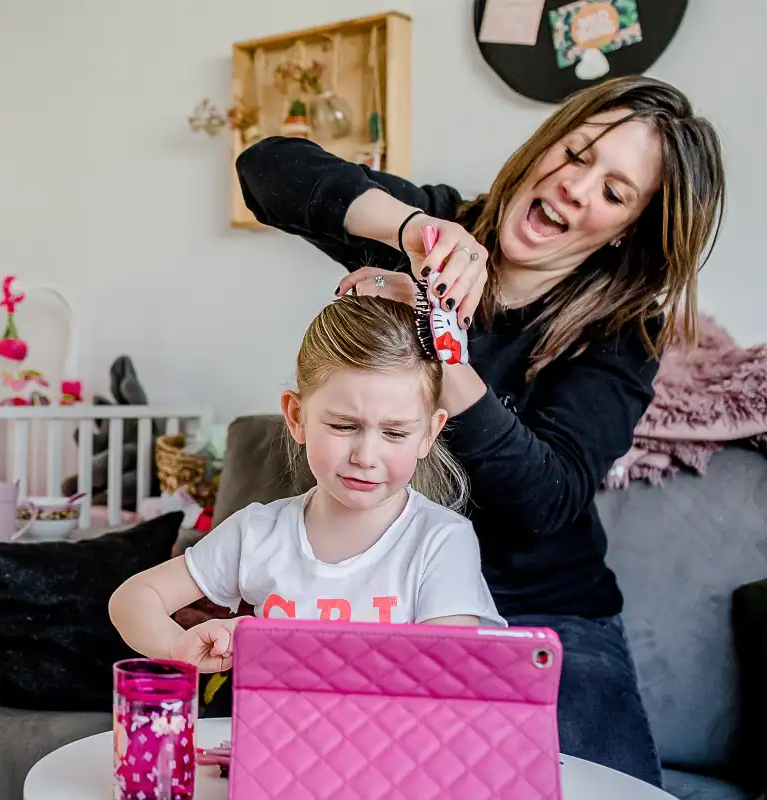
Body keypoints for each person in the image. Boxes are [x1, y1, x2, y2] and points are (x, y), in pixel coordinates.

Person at [234, 74, 726, 788]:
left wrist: (441, 337)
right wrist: (412, 233)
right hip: (383, 599)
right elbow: (265, 170)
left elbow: (546, 497)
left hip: (546, 618)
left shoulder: (623, 333)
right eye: (578, 153)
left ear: (629, 230)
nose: (575, 188)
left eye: (616, 193)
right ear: (548, 143)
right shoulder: (434, 226)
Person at [110, 294, 506, 675]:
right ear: (297, 416)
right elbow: (133, 599)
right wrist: (178, 647)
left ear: (429, 434)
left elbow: (445, 674)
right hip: (277, 740)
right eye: (343, 426)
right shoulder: (258, 533)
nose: (365, 456)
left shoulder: (441, 541)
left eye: (395, 433)